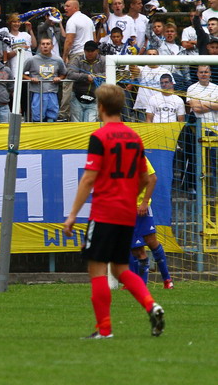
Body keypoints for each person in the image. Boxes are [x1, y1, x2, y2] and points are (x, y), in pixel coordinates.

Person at [63, 83, 165, 338]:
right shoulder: (134, 137)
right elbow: (145, 176)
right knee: (120, 268)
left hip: (104, 211)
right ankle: (151, 305)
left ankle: (104, 329)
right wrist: (130, 196)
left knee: (97, 269)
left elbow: (89, 178)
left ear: (100, 107)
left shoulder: (99, 137)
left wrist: (73, 214)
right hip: (126, 213)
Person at [128, 160, 174, 289]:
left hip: (140, 208)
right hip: (125, 208)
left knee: (151, 241)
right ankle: (135, 283)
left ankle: (167, 279)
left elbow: (152, 178)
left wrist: (144, 202)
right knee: (133, 246)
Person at [23, 37, 67, 122]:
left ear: (52, 46)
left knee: (52, 117)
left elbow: (64, 73)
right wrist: (30, 78)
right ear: (40, 46)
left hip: (52, 91)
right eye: (43, 44)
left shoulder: (58, 60)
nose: (45, 46)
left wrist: (59, 78)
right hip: (37, 92)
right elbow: (21, 73)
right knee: (37, 117)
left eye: (48, 44)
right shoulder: (32, 59)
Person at [66, 41, 105, 122]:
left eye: (92, 51)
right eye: (87, 51)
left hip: (94, 99)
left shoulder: (103, 60)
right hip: (77, 97)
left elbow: (109, 72)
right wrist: (86, 77)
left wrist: (95, 77)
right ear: (84, 51)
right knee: (76, 125)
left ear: (97, 51)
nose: (90, 53)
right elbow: (70, 73)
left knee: (90, 125)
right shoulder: (78, 59)